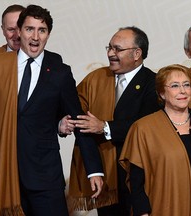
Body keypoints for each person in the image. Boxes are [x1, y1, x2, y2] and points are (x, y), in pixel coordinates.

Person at [0, 4, 103, 216]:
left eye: (42, 30)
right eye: (29, 29)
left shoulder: (59, 72)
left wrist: (94, 170)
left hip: (44, 174)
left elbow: (77, 120)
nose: (35, 36)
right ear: (19, 31)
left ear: (48, 34)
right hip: (5, 173)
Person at [68, 26, 159, 216]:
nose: (110, 53)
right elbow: (73, 106)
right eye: (109, 48)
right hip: (104, 174)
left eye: (117, 49)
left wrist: (104, 127)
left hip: (136, 173)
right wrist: (63, 121)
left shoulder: (154, 83)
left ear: (137, 53)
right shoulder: (97, 78)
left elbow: (147, 124)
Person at [119, 64, 191, 216]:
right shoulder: (144, 128)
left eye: (186, 85)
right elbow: (136, 180)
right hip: (165, 207)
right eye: (174, 86)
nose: (182, 91)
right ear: (162, 93)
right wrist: (142, 211)